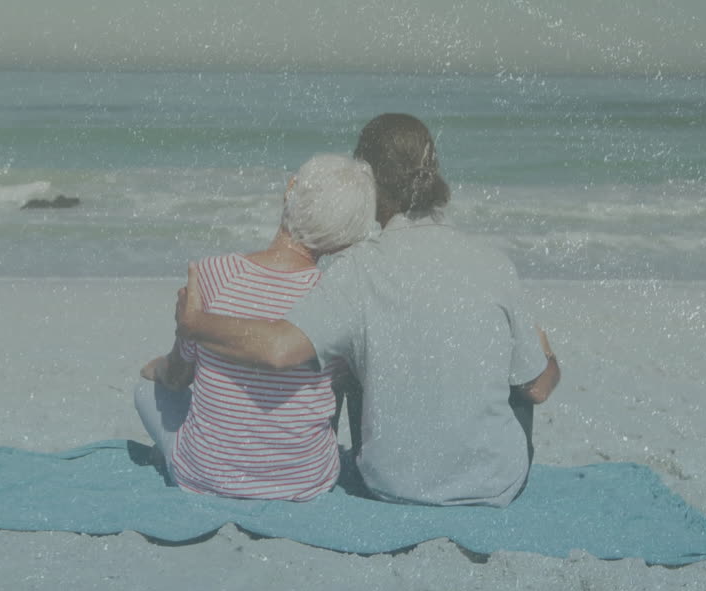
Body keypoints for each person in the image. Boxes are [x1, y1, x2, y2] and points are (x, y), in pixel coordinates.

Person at [175, 113, 559, 507]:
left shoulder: (357, 267)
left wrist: (196, 323)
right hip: (492, 485)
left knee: (351, 354)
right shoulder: (492, 262)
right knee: (519, 373)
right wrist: (547, 357)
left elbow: (278, 349)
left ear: (369, 185)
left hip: (389, 483)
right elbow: (539, 389)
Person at [135, 153, 376, 501]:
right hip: (304, 482)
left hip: (207, 477)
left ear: (290, 190)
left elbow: (178, 376)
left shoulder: (215, 274)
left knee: (146, 389)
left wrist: (155, 369)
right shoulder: (334, 300)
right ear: (346, 239)